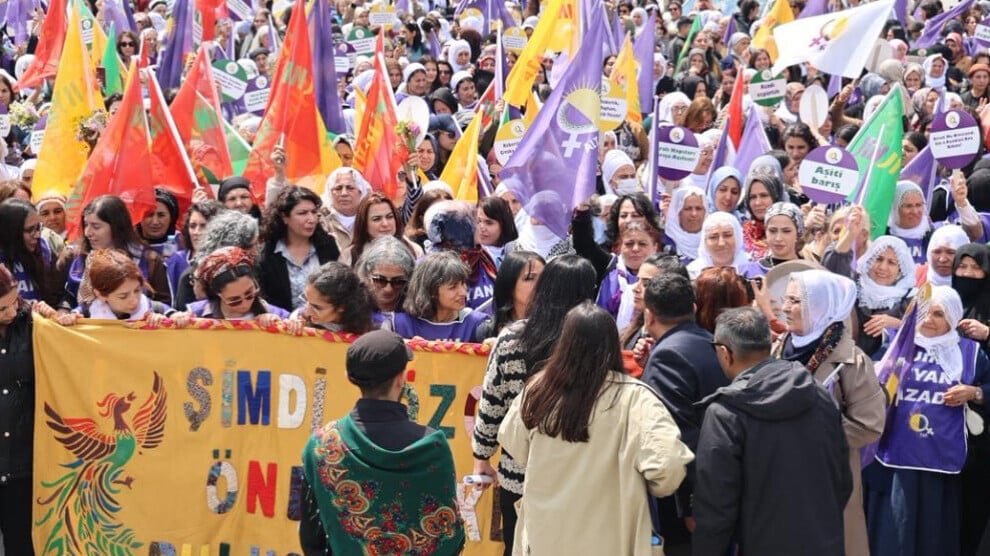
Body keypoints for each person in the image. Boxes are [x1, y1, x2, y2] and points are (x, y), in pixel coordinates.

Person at [497, 302, 693, 555]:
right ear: (612, 344)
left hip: (545, 538)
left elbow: (513, 445)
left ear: (564, 343)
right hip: (613, 540)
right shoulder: (636, 399)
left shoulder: (538, 390)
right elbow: (669, 469)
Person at [693, 307, 852, 555]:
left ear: (724, 353)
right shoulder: (818, 393)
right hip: (823, 543)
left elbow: (716, 506)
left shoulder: (726, 413)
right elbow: (842, 479)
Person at [472, 255, 597, 555]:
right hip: (578, 478)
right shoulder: (594, 341)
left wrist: (482, 458)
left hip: (519, 475)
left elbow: (492, 405)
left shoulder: (511, 338)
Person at [300, 329, 465, 555]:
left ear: (350, 378)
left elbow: (311, 537)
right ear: (401, 378)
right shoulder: (432, 447)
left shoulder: (322, 446)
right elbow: (450, 538)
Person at [868, 286, 990, 556]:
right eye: (924, 312)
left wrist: (975, 393)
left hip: (940, 458)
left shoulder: (970, 352)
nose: (928, 320)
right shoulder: (895, 344)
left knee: (933, 535)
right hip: (895, 456)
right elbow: (866, 386)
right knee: (894, 533)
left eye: (938, 314)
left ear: (953, 318)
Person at [774, 269, 886, 556]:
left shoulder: (851, 361)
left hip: (826, 477)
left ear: (820, 306)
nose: (785, 307)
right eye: (786, 299)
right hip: (779, 473)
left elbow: (869, 425)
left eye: (796, 301)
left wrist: (807, 434)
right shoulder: (777, 347)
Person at [639, 273, 729, 551]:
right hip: (724, 481)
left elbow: (679, 434)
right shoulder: (712, 343)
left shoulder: (668, 356)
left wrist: (690, 504)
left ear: (649, 316)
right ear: (693, 308)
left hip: (690, 500)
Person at [60, 195, 171, 308]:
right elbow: (69, 296)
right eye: (86, 225)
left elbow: (163, 303)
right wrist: (65, 310)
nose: (88, 232)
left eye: (96, 227)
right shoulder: (80, 257)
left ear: (116, 227)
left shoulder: (149, 260)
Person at [257, 186, 340, 312]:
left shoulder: (328, 246)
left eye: (314, 212)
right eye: (303, 213)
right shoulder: (267, 253)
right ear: (285, 217)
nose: (311, 219)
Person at [388, 251, 487, 342]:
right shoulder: (399, 324)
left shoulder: (476, 324)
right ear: (432, 291)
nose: (463, 293)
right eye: (453, 287)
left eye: (463, 283)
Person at [188, 246, 288, 323]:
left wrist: (280, 324)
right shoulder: (198, 314)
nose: (245, 304)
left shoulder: (273, 313)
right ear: (218, 293)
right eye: (235, 301)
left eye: (249, 294)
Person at [0, 199, 64, 306]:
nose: (37, 235)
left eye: (38, 228)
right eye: (30, 230)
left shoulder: (44, 249)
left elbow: (58, 293)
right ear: (11, 231)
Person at [285, 262, 375, 335]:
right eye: (306, 300)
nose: (308, 312)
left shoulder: (368, 330)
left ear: (341, 307)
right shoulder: (300, 318)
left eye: (317, 307)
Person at [339, 192, 423, 266]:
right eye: (377, 219)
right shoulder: (350, 256)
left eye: (389, 217)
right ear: (364, 224)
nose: (385, 224)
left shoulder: (414, 250)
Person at [478, 250, 545, 339]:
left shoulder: (556, 327)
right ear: (509, 285)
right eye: (530, 278)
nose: (540, 283)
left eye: (544, 277)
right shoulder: (487, 330)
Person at [354, 236, 416, 325]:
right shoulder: (353, 307)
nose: (388, 289)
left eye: (398, 282)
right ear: (366, 275)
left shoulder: (416, 310)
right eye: (380, 280)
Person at [687, 212, 750, 279]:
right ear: (704, 241)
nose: (721, 243)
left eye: (727, 235)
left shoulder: (752, 267)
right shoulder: (693, 273)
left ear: (738, 238)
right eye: (713, 237)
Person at [320, 167, 370, 251]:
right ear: (329, 192)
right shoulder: (320, 221)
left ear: (360, 191)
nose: (344, 193)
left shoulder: (370, 218)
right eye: (338, 188)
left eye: (350, 188)